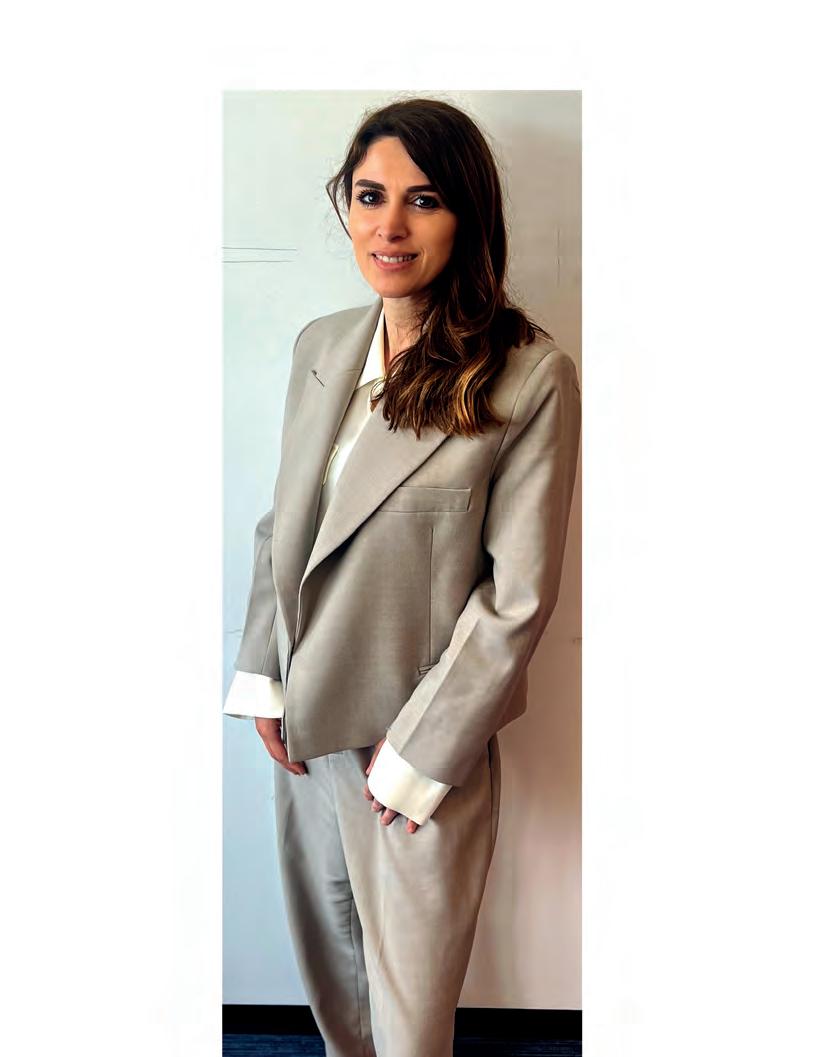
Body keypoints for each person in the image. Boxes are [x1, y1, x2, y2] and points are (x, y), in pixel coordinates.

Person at [223, 97, 582, 1057]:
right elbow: (283, 525)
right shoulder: (322, 345)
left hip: (409, 745)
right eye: (369, 196)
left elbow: (516, 597)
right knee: (334, 993)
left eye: (422, 200)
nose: (388, 226)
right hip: (306, 733)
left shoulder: (526, 375)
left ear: (465, 214)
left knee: (409, 1016)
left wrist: (420, 752)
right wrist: (263, 676)